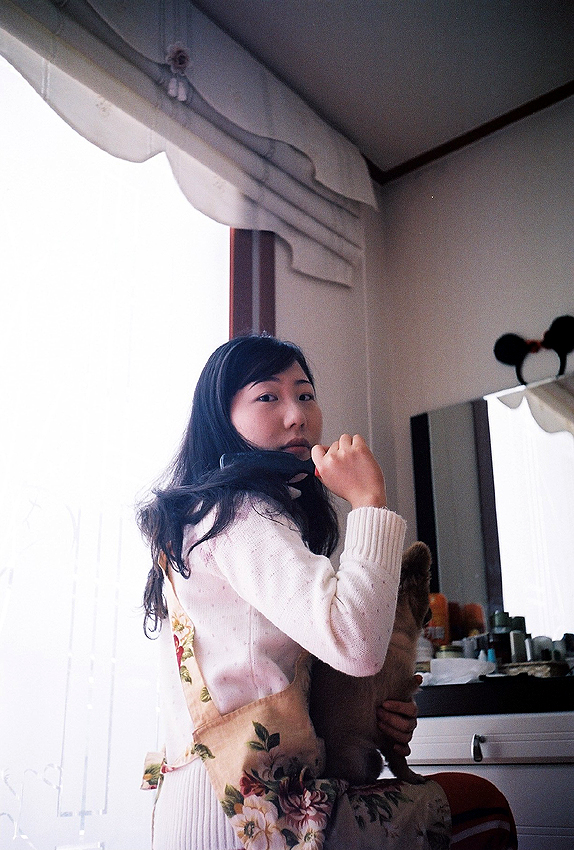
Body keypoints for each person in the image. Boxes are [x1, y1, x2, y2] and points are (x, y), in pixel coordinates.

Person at [138, 333, 517, 850]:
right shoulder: (240, 516)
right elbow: (357, 645)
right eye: (268, 396)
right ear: (220, 417)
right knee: (482, 805)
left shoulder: (204, 516)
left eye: (306, 394)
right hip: (252, 819)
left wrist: (372, 719)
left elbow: (274, 673)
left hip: (207, 810)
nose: (297, 415)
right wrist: (369, 499)